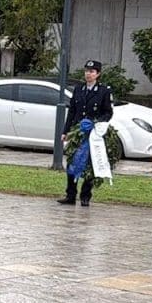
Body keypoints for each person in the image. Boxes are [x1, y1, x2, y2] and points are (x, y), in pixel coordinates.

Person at [57, 59, 113, 207]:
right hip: (77, 132)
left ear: (98, 74)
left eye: (92, 72)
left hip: (92, 134)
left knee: (89, 165)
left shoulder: (103, 91)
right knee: (72, 163)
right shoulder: (79, 89)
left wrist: (96, 124)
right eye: (87, 71)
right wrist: (66, 131)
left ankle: (85, 196)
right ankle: (70, 195)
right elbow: (72, 111)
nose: (88, 74)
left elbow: (108, 113)